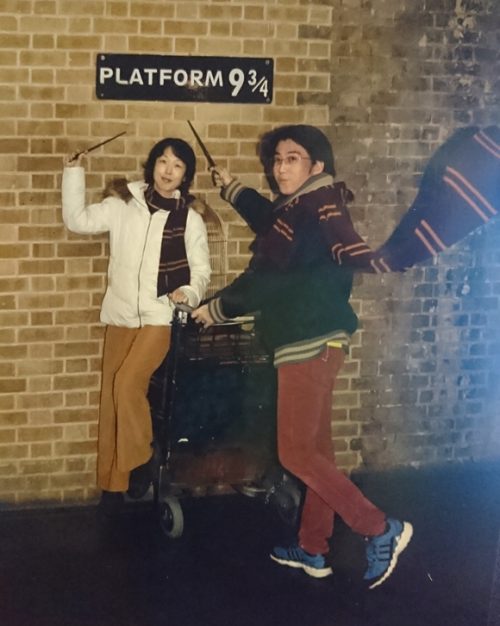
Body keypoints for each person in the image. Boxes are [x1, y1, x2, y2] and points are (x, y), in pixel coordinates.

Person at [191, 124, 412, 589]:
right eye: (276, 159)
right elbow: (270, 219)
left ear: (317, 166)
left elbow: (268, 277)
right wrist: (232, 189)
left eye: (292, 158)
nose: (280, 167)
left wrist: (216, 308)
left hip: (306, 341)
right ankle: (313, 547)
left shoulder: (309, 214)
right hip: (319, 340)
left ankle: (379, 528)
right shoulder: (307, 209)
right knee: (318, 453)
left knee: (295, 452)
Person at [62, 137, 211, 513]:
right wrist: (74, 172)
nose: (168, 170)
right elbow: (77, 221)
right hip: (121, 314)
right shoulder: (123, 205)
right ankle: (113, 485)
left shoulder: (189, 219)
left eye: (177, 165)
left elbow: (201, 271)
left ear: (186, 175)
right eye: (163, 161)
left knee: (127, 384)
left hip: (160, 316)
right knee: (112, 399)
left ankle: (143, 457)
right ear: (152, 165)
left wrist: (189, 292)